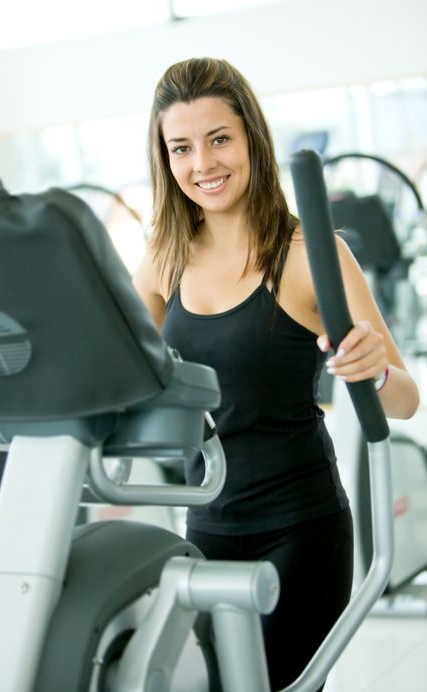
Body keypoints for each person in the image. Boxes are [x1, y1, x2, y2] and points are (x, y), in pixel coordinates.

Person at [133, 57, 419, 690]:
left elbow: (404, 401)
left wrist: (372, 370)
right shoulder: (162, 259)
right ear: (166, 159)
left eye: (219, 139)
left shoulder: (307, 255)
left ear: (251, 141)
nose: (202, 164)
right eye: (181, 147)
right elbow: (127, 379)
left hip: (300, 529)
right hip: (205, 524)